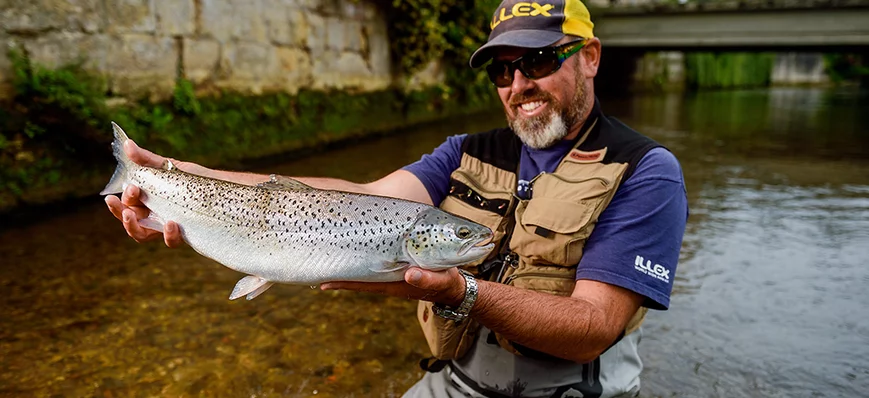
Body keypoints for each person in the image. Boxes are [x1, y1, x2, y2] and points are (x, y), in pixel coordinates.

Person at [106, 0, 688, 396]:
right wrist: (174, 175)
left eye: (538, 61)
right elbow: (355, 197)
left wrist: (462, 291)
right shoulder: (464, 151)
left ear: (590, 56)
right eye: (502, 72)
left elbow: (592, 326)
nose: (518, 86)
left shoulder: (645, 171)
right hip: (456, 380)